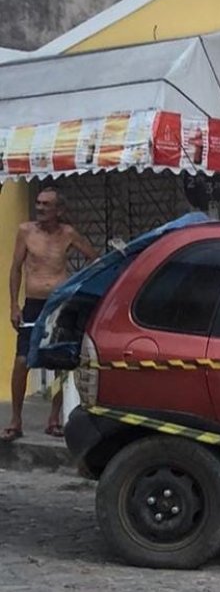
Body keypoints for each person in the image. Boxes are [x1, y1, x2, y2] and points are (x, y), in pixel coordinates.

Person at [4, 187, 97, 441]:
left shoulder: (67, 234)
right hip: (32, 304)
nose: (41, 208)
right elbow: (15, 270)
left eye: (47, 204)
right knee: (22, 360)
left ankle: (54, 417)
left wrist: (76, 286)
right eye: (38, 203)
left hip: (59, 305)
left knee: (59, 362)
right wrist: (14, 305)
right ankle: (15, 419)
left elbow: (93, 257)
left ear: (59, 210)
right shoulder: (26, 231)